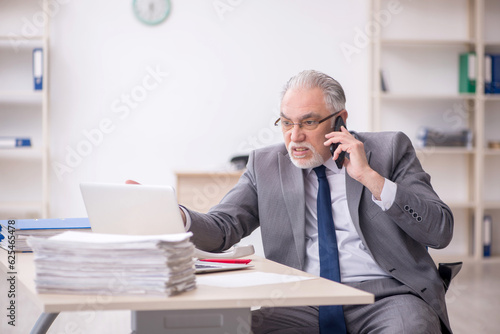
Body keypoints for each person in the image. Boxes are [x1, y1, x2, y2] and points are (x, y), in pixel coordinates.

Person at [178, 70, 454, 333]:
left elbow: (440, 231)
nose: (294, 136)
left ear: (340, 120)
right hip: (302, 297)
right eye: (286, 122)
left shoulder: (390, 150)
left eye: (308, 122)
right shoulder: (264, 165)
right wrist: (176, 215)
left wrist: (371, 178)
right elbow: (222, 229)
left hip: (389, 294)